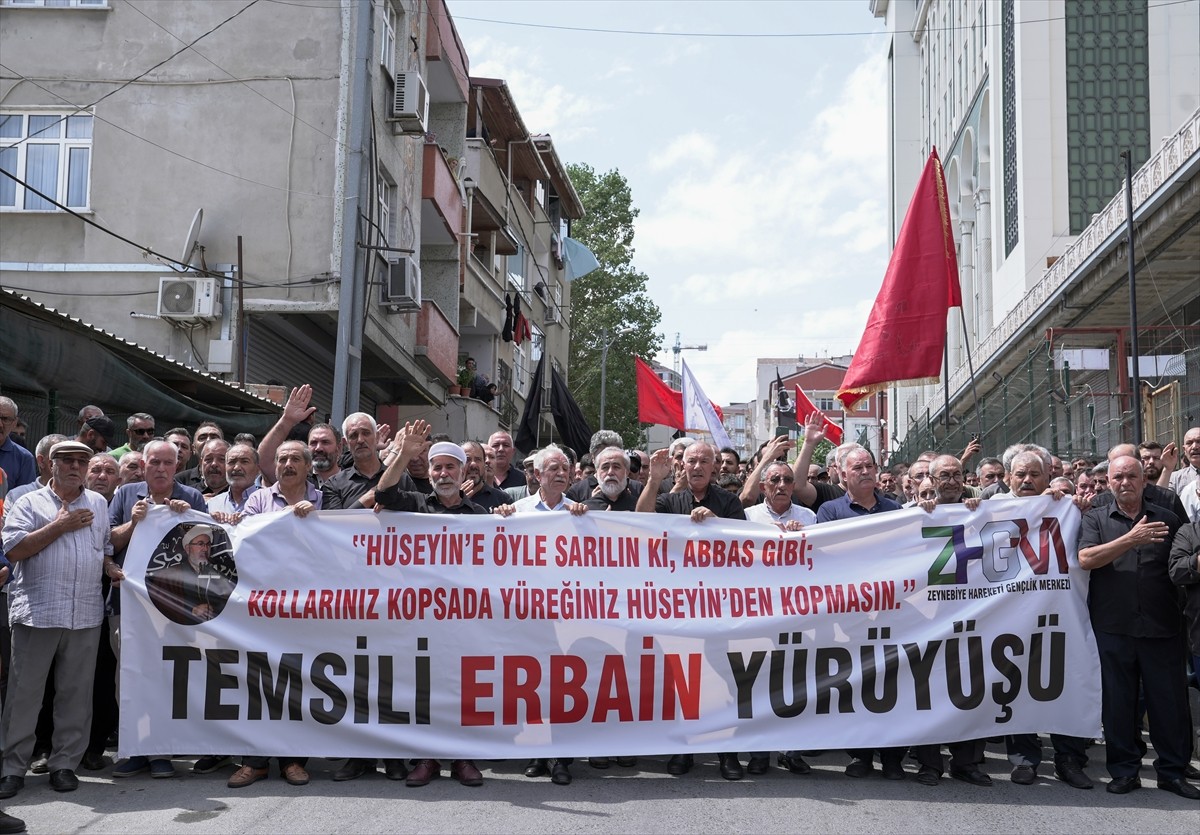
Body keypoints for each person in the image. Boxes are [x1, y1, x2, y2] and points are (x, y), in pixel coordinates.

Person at [373, 426, 486, 788]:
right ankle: (427, 758)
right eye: (436, 468)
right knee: (426, 687)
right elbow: (384, 492)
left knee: (461, 687)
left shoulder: (481, 515)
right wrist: (404, 454)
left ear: (463, 471)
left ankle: (463, 757)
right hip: (422, 616)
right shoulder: (417, 503)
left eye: (450, 467)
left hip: (466, 619)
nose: (442, 474)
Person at [1078, 455, 1197, 799]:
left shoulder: (1169, 518)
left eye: (1132, 476)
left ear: (1145, 480)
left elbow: (1181, 566)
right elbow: (1086, 559)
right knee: (1118, 704)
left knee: (1169, 704)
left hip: (1164, 626)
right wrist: (1131, 539)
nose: (1125, 482)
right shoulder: (1096, 518)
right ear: (1110, 481)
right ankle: (1124, 771)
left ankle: (1172, 773)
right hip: (1113, 627)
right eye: (1118, 477)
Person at [0, 440, 111, 800]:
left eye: (82, 460)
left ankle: (64, 764)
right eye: (67, 460)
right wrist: (60, 526)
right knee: (24, 695)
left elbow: (104, 548)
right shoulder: (28, 502)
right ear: (49, 463)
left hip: (85, 614)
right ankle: (12, 767)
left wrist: (110, 564)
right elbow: (14, 550)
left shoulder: (98, 503)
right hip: (38, 612)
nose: (75, 467)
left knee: (76, 694)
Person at [985, 447, 1093, 789]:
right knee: (1016, 687)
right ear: (1007, 479)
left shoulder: (1069, 508)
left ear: (1049, 477)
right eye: (1020, 474)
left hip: (1064, 617)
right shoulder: (990, 511)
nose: (1027, 480)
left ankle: (1069, 759)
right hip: (1012, 621)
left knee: (1068, 684)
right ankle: (1024, 759)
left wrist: (1071, 505)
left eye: (1035, 474)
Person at [638, 441, 747, 780]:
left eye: (704, 461)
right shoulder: (671, 500)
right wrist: (654, 480)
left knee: (723, 682)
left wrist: (718, 525)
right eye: (691, 460)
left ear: (716, 467)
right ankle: (683, 749)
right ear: (681, 465)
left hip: (719, 607)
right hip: (678, 608)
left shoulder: (729, 502)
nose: (697, 466)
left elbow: (746, 549)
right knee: (682, 682)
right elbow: (642, 520)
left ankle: (727, 753)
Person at [109, 440, 207, 779]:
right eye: (155, 463)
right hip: (130, 605)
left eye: (168, 463)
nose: (162, 469)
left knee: (169, 676)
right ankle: (138, 749)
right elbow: (109, 543)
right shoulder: (125, 495)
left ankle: (162, 752)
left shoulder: (192, 497)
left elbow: (206, 549)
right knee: (131, 677)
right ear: (143, 464)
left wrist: (186, 521)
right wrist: (134, 523)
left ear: (177, 464)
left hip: (175, 608)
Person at [224, 441, 316, 790]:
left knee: (297, 684)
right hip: (262, 606)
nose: (288, 464)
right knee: (258, 683)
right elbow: (245, 539)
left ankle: (293, 760)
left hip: (307, 609)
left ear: (308, 466)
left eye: (295, 459)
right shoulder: (259, 500)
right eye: (282, 459)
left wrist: (315, 519)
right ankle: (255, 762)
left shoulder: (323, 501)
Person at [495, 445, 587, 785]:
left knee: (563, 685)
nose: (560, 473)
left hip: (568, 615)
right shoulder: (516, 510)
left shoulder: (581, 513)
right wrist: (500, 520)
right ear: (536, 474)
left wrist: (586, 519)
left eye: (565, 468)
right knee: (531, 685)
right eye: (553, 468)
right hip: (529, 615)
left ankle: (562, 758)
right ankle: (536, 753)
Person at [813, 446, 907, 779]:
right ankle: (860, 756)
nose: (865, 471)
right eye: (857, 467)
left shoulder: (896, 510)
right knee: (855, 684)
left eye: (869, 465)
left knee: (891, 684)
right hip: (848, 613)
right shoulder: (829, 511)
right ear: (840, 473)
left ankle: (893, 758)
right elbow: (824, 557)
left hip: (889, 612)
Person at [910, 456, 991, 788]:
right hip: (928, 618)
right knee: (930, 691)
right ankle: (930, 764)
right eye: (944, 475)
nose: (952, 481)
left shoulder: (979, 509)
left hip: (973, 616)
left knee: (972, 689)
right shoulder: (912, 514)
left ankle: (966, 762)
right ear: (930, 478)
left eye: (957, 474)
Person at [145, 524, 235, 625]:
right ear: (188, 548)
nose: (205, 549)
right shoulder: (169, 576)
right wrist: (190, 610)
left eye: (208, 544)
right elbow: (160, 605)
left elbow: (228, 603)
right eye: (200, 544)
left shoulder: (218, 576)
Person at [207, 443, 261, 524]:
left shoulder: (269, 502)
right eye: (232, 462)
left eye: (244, 462)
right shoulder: (212, 505)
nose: (236, 468)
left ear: (258, 469)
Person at [459, 441, 511, 511]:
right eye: (467, 459)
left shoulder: (502, 499)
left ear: (484, 465)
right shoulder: (445, 498)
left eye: (478, 460)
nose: (473, 464)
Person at [0, 397, 37, 489]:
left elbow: (24, 498)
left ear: (14, 423)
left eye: (5, 419)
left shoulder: (23, 458)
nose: (0, 424)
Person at [1168, 427, 1200, 494]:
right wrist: (1167, 469)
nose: (1194, 447)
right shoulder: (1174, 478)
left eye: (1199, 441)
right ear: (1184, 450)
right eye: (1189, 443)